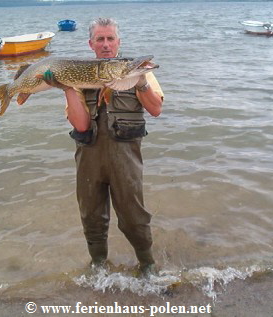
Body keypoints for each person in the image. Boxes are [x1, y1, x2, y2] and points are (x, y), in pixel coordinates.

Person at [42, 18, 163, 275]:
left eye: (110, 39)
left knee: (134, 216)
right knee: (91, 216)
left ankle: (148, 264)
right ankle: (98, 266)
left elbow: (156, 109)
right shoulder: (78, 76)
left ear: (118, 42)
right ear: (91, 44)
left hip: (125, 157)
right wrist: (66, 88)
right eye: (100, 39)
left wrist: (140, 80)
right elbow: (82, 125)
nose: (106, 44)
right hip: (90, 157)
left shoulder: (139, 71)